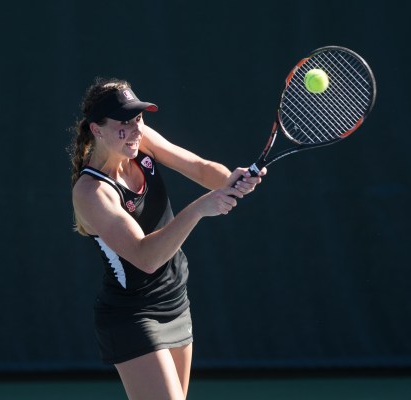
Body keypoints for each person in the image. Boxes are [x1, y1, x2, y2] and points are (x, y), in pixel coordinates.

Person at [68, 77, 265, 400]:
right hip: (132, 316)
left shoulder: (141, 140)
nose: (134, 129)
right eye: (123, 123)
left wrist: (231, 180)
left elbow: (201, 169)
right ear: (96, 129)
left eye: (138, 118)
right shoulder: (91, 192)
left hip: (174, 301)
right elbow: (146, 258)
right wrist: (202, 207)